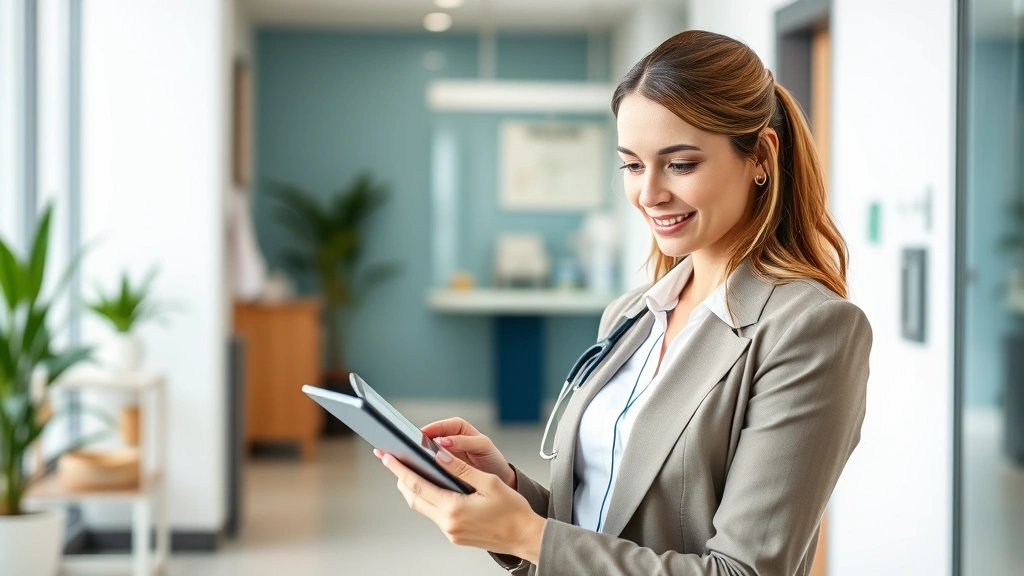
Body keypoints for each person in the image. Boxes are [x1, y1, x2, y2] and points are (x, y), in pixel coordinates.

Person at [375, 29, 872, 576]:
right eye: (632, 165)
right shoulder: (632, 314)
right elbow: (603, 523)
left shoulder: (810, 329)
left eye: (680, 164)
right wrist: (511, 493)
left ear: (760, 157)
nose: (648, 193)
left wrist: (525, 533)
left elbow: (742, 570)